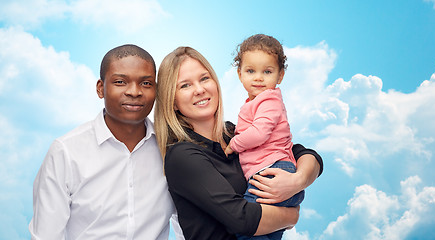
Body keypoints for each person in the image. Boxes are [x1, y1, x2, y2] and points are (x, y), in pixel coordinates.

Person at [154, 46, 323, 240]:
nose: (199, 90)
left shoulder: (234, 134)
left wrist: (298, 179)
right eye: (185, 85)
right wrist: (291, 216)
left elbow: (303, 153)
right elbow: (241, 219)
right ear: (172, 101)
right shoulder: (183, 155)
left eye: (204, 79)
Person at [29, 44, 183, 239]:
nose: (134, 92)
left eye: (146, 83)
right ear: (101, 88)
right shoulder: (66, 152)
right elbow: (46, 235)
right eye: (120, 82)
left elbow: (188, 224)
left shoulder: (171, 150)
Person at [223, 34, 302, 240]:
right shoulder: (255, 102)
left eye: (267, 71)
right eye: (251, 71)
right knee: (268, 233)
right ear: (240, 74)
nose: (258, 77)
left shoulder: (268, 100)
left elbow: (260, 133)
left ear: (280, 76)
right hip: (272, 170)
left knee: (245, 225)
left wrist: (234, 144)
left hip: (271, 171)